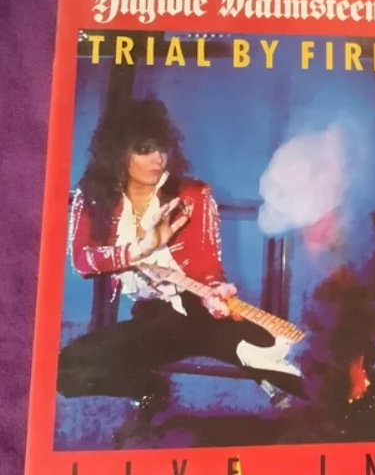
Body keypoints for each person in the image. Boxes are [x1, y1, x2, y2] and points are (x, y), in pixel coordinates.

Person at [57, 98, 301, 442]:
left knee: (298, 362)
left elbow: (208, 267)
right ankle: (148, 391)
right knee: (66, 370)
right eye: (145, 150)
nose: (158, 160)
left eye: (163, 149)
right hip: (153, 321)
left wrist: (215, 289)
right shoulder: (92, 197)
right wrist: (137, 250)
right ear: (117, 152)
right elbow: (83, 261)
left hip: (203, 312)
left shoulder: (194, 195)